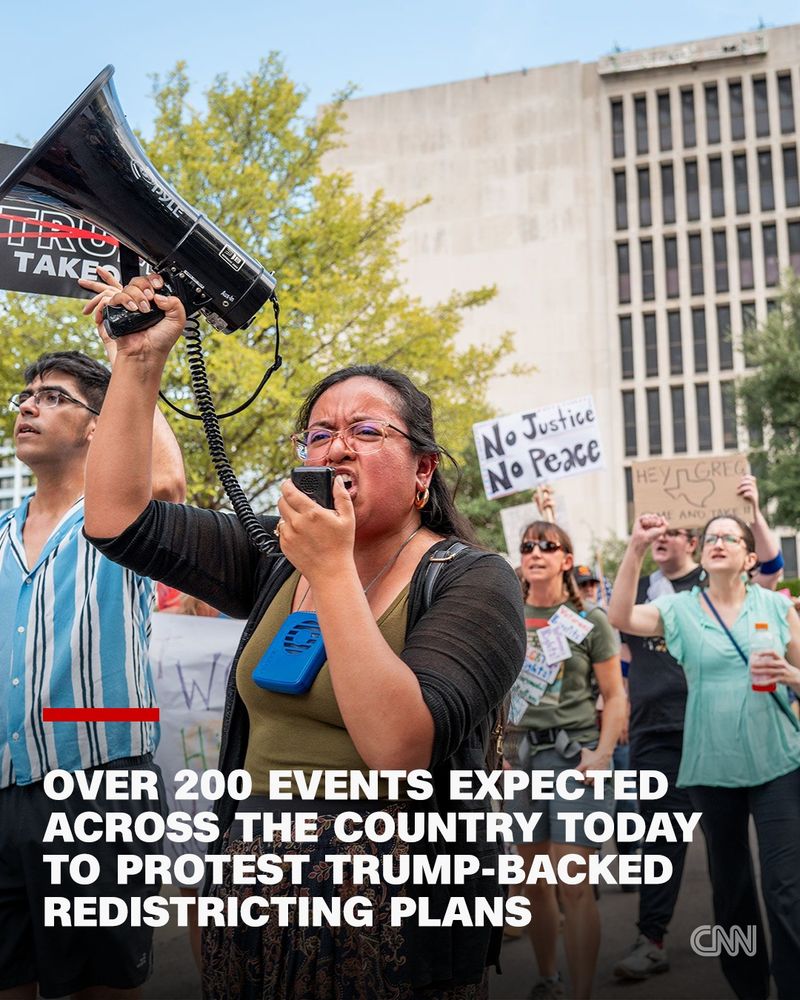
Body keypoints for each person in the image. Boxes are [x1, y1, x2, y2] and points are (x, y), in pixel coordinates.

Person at [81, 274, 526, 1000]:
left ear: (423, 471)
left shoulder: (476, 582)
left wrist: (333, 570)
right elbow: (119, 519)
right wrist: (138, 362)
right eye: (319, 433)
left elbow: (400, 750)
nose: (335, 448)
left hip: (389, 923)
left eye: (365, 431)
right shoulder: (272, 557)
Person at [0, 329, 185, 997]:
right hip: (5, 790)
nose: (28, 408)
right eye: (27, 396)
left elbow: (166, 479)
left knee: (99, 987)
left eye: (53, 397)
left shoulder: (119, 522)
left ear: (98, 428)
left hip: (99, 787)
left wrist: (132, 357)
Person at [609, 513, 800, 1000]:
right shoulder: (679, 610)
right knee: (731, 892)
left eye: (727, 538)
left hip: (777, 761)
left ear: (748, 556)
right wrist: (634, 548)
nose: (717, 543)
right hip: (711, 766)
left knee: (784, 887)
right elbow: (622, 617)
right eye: (711, 537)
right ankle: (749, 989)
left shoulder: (776, 607)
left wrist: (792, 675)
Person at [506, 519, 625, 1000]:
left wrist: (603, 754)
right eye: (527, 545)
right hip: (519, 758)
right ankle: (547, 977)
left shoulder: (588, 620)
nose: (535, 551)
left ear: (565, 560)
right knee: (536, 881)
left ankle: (580, 993)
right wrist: (497, 757)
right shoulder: (505, 615)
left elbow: (615, 696)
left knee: (572, 877)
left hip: (573, 756)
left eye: (547, 545)